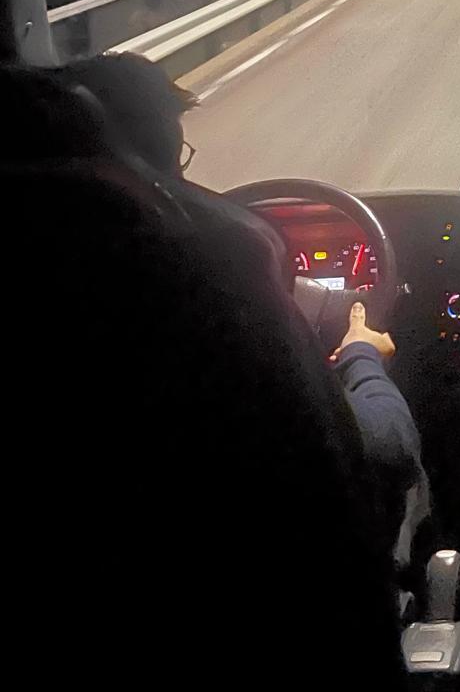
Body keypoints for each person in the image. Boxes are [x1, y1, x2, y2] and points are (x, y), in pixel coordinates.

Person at [64, 50, 430, 582]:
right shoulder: (209, 276)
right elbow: (386, 448)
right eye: (177, 158)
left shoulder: (63, 262)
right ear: (155, 161)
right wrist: (360, 355)